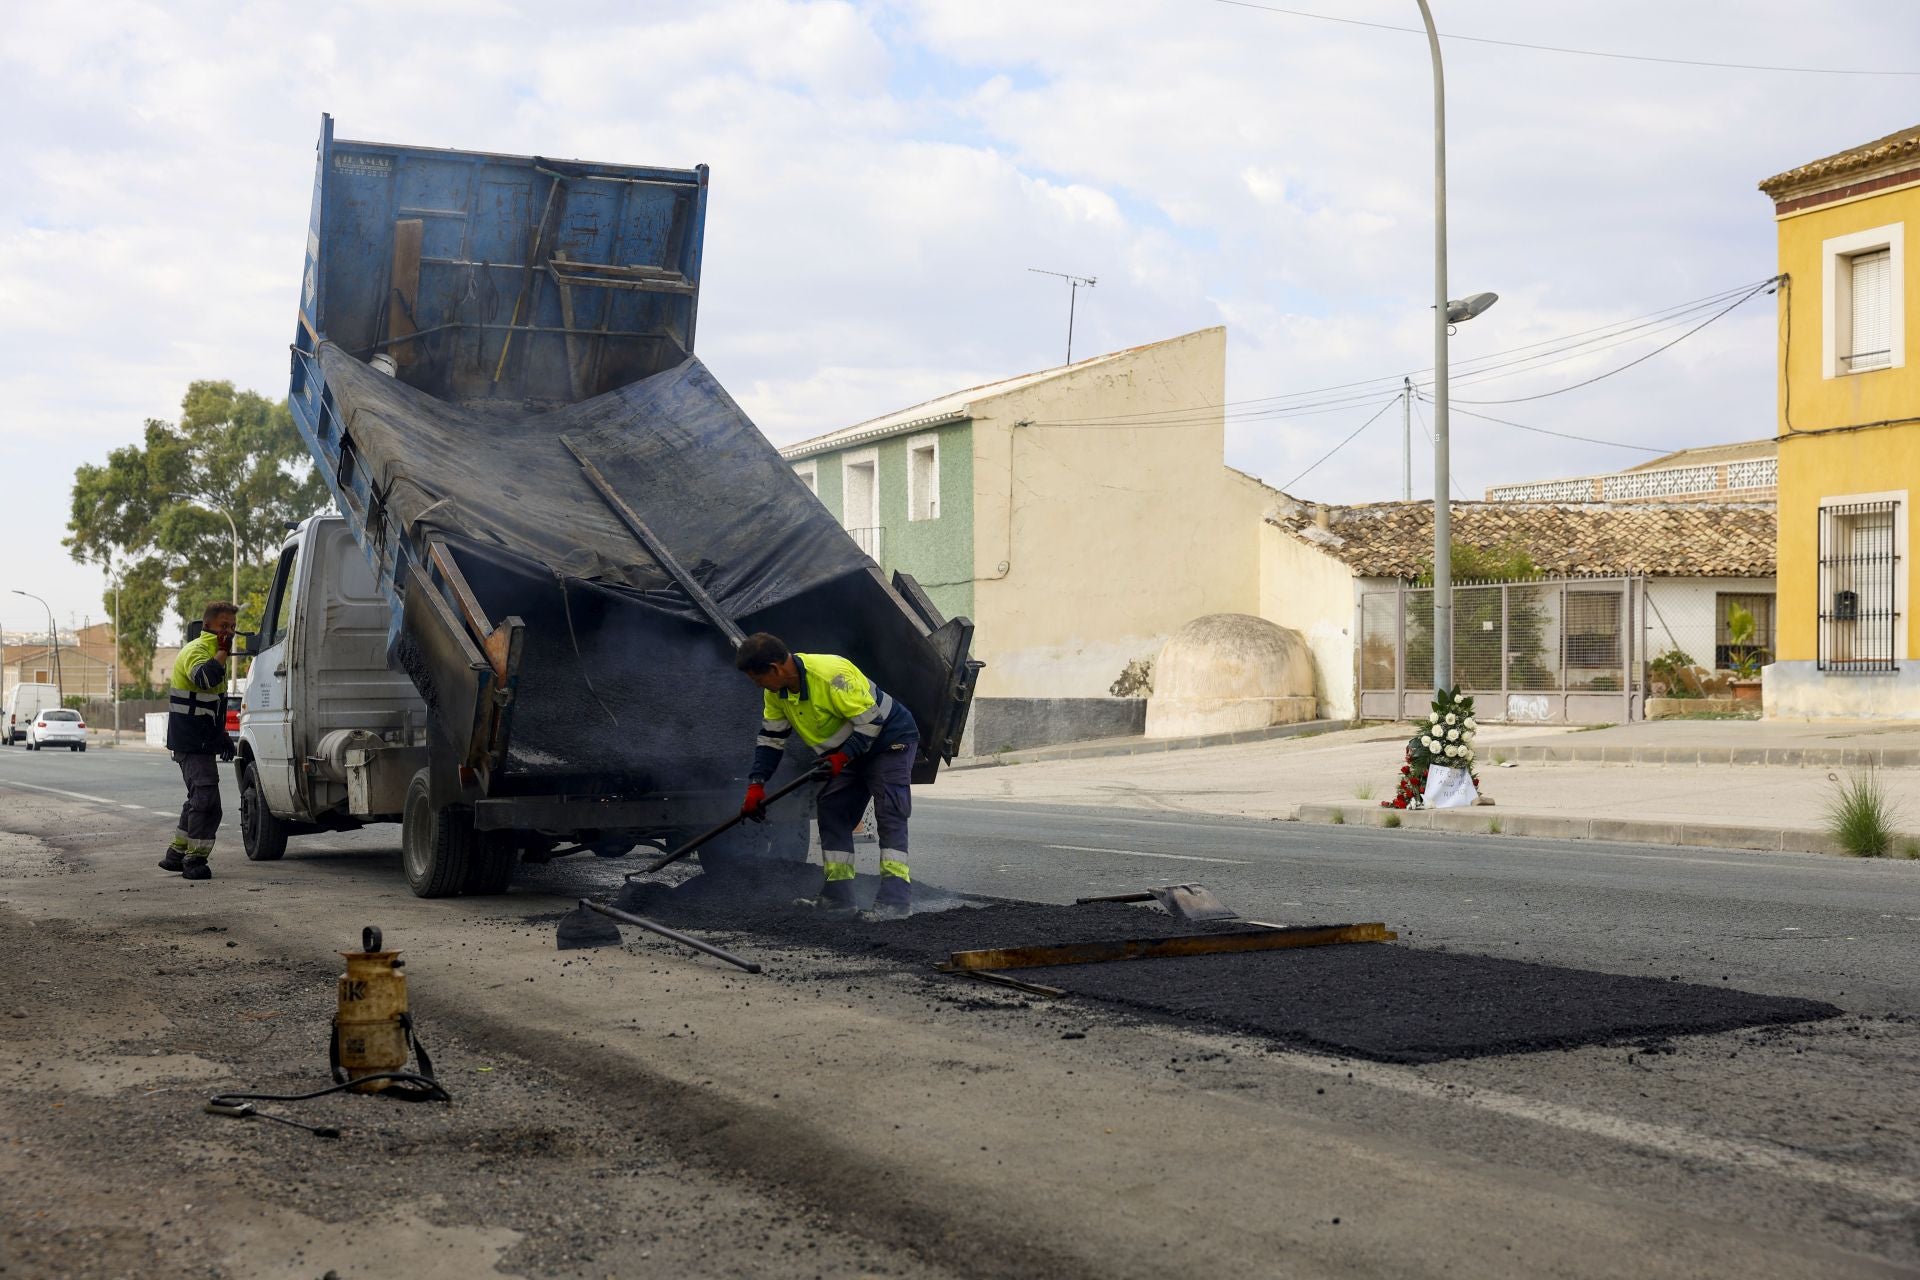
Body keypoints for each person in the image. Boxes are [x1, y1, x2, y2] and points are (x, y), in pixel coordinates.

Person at [735, 633, 919, 919]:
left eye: (757, 679)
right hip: (849, 751)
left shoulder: (832, 675)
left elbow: (871, 723)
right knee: (832, 809)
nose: (757, 685)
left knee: (889, 812)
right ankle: (838, 898)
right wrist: (756, 785)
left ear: (774, 668)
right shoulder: (775, 692)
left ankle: (895, 902)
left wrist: (842, 757)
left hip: (888, 741)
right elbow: (771, 738)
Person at [160, 602, 238, 881]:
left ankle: (176, 855)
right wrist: (222, 652)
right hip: (190, 742)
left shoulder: (215, 654)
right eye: (223, 626)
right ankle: (194, 861)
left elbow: (210, 706)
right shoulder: (196, 652)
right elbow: (204, 679)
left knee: (198, 798)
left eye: (232, 627)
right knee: (206, 802)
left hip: (201, 741)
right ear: (207, 627)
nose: (229, 632)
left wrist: (223, 737)